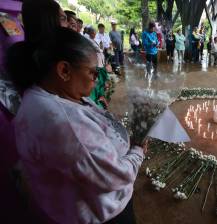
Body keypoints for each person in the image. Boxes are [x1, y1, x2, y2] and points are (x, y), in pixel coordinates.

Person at [6, 27, 147, 224]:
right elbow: (113, 177)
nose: (95, 79)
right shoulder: (65, 126)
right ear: (64, 70)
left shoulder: (47, 93)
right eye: (92, 72)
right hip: (100, 215)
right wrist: (138, 151)